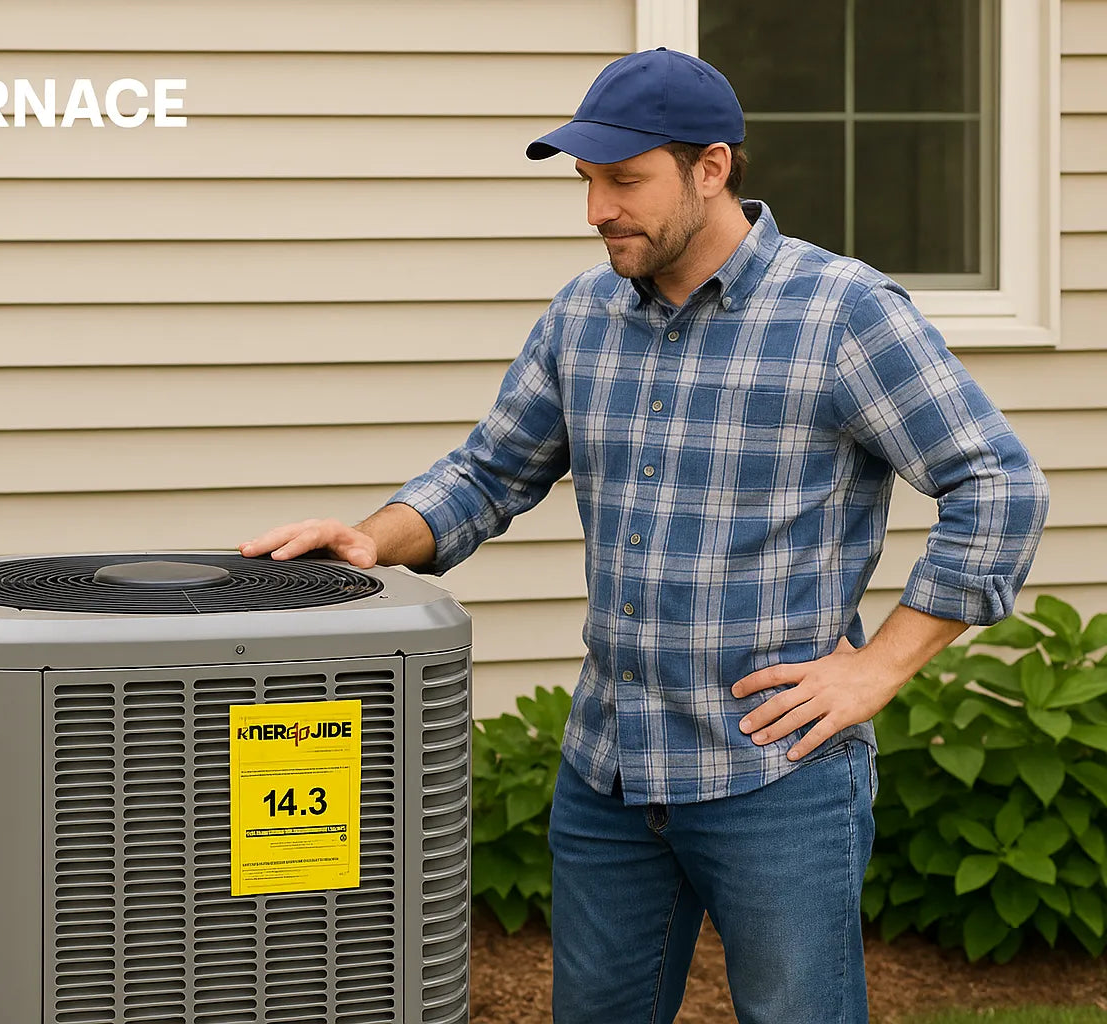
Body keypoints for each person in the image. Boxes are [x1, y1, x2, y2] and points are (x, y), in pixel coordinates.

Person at [238, 47, 1049, 1023]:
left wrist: (876, 670)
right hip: (608, 774)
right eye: (586, 184)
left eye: (624, 182)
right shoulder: (582, 316)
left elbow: (997, 484)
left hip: (773, 779)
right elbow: (489, 471)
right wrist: (374, 539)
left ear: (711, 168)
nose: (597, 212)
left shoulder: (841, 313)